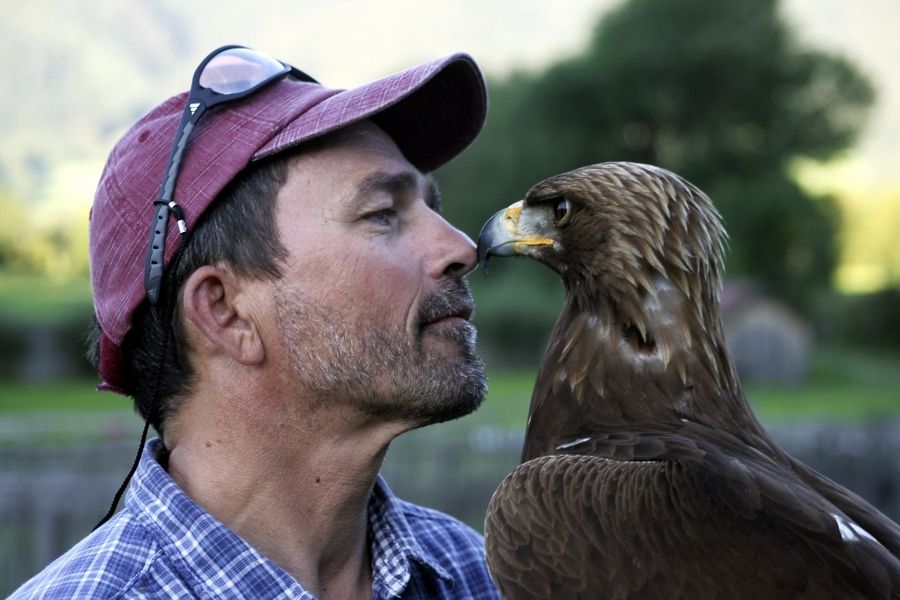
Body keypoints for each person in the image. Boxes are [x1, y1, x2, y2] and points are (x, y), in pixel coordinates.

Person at [11, 45, 499, 599]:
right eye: (382, 214)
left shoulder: (477, 573)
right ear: (224, 312)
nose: (460, 246)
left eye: (430, 207)